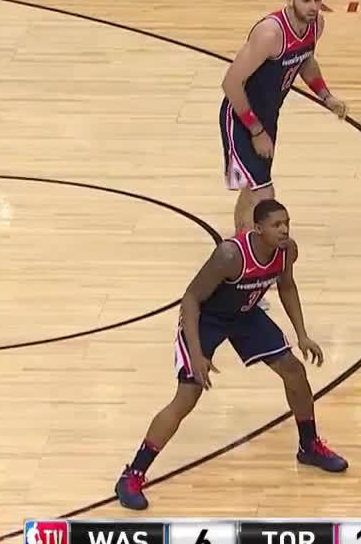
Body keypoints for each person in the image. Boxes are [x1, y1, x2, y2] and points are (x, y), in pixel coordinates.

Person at [115, 199, 347, 510]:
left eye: (287, 223)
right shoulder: (230, 255)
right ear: (258, 228)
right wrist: (197, 354)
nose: (284, 230)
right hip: (206, 319)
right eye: (277, 225)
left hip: (245, 315)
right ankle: (132, 474)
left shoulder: (286, 250)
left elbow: (287, 287)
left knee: (294, 370)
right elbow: (191, 299)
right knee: (187, 396)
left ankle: (309, 446)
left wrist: (302, 334)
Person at [220, 0, 347, 235]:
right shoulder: (270, 34)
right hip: (241, 116)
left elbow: (306, 61)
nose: (313, 7)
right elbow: (231, 83)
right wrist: (256, 131)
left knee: (253, 189)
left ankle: (240, 242)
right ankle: (253, 251)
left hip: (268, 117)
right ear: (290, 0)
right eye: (305, 0)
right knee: (264, 194)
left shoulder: (316, 25)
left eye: (317, 0)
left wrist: (326, 96)